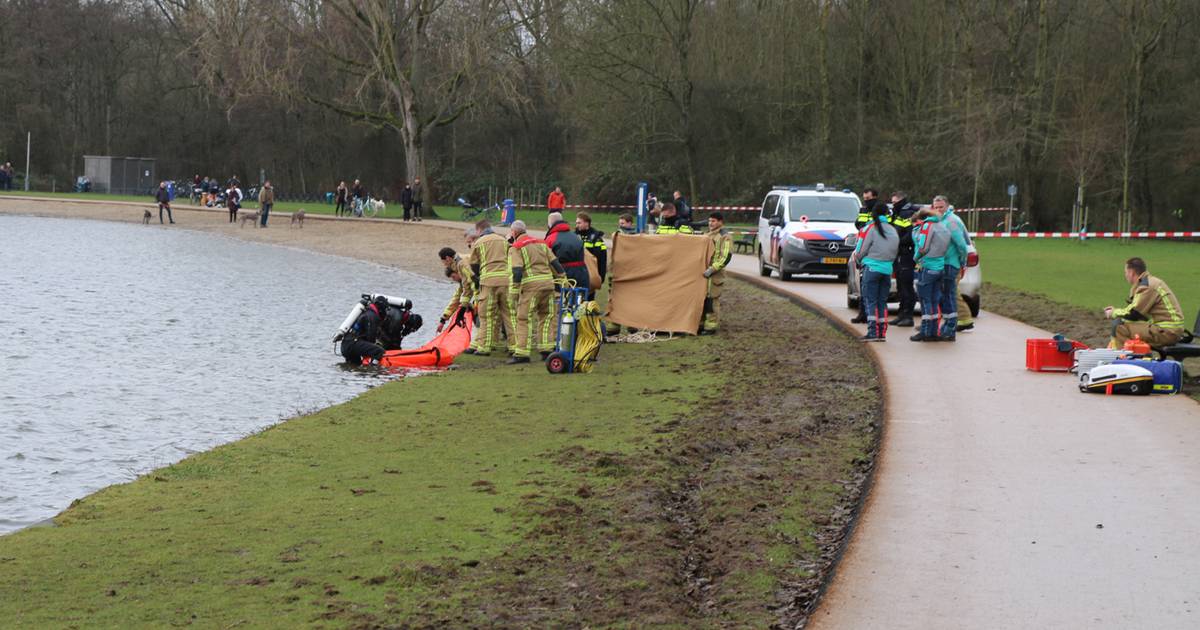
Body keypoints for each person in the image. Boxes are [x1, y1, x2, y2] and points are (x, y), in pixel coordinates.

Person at [507, 220, 566, 364]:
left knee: (523, 319)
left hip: (531, 288)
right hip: (548, 285)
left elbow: (517, 270)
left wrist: (514, 293)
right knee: (547, 317)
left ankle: (521, 353)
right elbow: (555, 264)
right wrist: (563, 279)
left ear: (514, 233)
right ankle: (546, 350)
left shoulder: (516, 247)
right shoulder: (541, 243)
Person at [1104, 257, 1186, 349]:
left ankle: (1124, 359)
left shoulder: (1147, 286)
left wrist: (1114, 312)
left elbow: (1134, 313)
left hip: (1167, 332)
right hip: (1169, 330)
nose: (1125, 275)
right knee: (1121, 323)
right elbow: (1141, 316)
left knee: (1119, 327)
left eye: (1125, 272)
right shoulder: (1150, 282)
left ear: (1131, 273)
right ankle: (1137, 356)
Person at [852, 201, 899, 342]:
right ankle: (882, 333)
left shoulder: (869, 228)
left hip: (871, 268)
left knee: (870, 301)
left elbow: (860, 250)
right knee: (882, 302)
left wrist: (858, 261)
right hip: (887, 270)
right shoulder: (892, 229)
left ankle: (872, 332)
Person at [467, 219, 515, 355]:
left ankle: (484, 347)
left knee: (486, 315)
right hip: (506, 281)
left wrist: (479, 276)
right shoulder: (503, 240)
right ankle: (514, 347)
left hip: (488, 282)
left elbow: (474, 264)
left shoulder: (478, 242)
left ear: (478, 230)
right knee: (509, 315)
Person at [910, 207, 951, 342]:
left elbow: (923, 247)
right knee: (934, 300)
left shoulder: (928, 226)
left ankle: (926, 331)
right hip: (940, 266)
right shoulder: (942, 226)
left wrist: (915, 258)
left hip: (927, 266)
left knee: (925, 301)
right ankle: (934, 331)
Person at [851, 188, 886, 324]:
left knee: (872, 288)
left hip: (876, 250)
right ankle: (863, 313)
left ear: (875, 197)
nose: (866, 201)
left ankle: (872, 316)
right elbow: (859, 224)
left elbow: (884, 226)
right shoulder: (863, 210)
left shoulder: (882, 210)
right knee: (863, 284)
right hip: (865, 245)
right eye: (864, 198)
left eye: (869, 198)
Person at [939, 200, 974, 333]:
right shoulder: (945, 219)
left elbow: (961, 245)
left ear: (947, 207)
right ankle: (959, 320)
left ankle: (964, 320)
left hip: (951, 263)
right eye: (935, 207)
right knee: (952, 292)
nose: (938, 209)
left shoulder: (951, 221)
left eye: (941, 207)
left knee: (952, 292)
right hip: (947, 262)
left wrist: (962, 262)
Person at [888, 191, 920, 327]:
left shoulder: (907, 213)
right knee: (901, 286)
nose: (893, 205)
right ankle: (901, 314)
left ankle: (908, 316)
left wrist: (897, 241)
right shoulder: (899, 212)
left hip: (906, 254)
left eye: (895, 202)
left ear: (901, 201)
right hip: (900, 253)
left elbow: (910, 234)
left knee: (906, 286)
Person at [701, 213, 734, 335]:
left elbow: (726, 257)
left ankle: (711, 327)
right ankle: (702, 324)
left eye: (713, 221)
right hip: (704, 274)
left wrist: (712, 269)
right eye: (709, 221)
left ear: (720, 222)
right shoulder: (707, 235)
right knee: (703, 299)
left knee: (712, 301)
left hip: (715, 275)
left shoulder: (725, 237)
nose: (710, 223)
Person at [545, 212, 589, 293]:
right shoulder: (576, 237)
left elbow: (546, 260)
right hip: (581, 274)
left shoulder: (550, 239)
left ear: (550, 224)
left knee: (561, 302)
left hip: (561, 275)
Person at [340, 296, 387, 364]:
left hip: (345, 345)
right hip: (352, 344)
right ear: (381, 308)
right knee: (379, 351)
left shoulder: (365, 312)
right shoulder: (372, 316)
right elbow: (371, 338)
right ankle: (373, 369)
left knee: (355, 366)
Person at [438, 247, 475, 332]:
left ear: (447, 258)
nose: (454, 280)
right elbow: (457, 297)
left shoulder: (461, 263)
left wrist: (462, 309)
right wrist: (443, 319)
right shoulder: (460, 263)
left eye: (453, 277)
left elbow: (470, 288)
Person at [575, 212, 608, 297]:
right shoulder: (574, 236)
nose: (577, 225)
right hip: (577, 274)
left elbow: (602, 259)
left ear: (587, 223)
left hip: (590, 274)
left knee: (589, 301)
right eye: (576, 223)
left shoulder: (596, 238)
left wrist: (601, 276)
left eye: (579, 223)